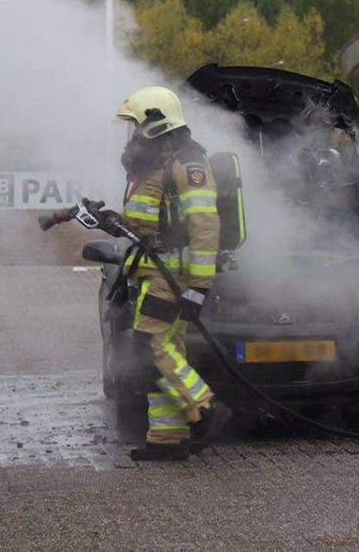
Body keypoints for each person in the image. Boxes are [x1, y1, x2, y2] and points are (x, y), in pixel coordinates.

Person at [114, 86, 233, 460]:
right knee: (168, 350)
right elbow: (151, 223)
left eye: (135, 125)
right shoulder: (158, 166)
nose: (132, 135)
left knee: (150, 347)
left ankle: (206, 408)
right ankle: (167, 440)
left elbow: (204, 226)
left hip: (173, 275)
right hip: (157, 273)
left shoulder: (188, 164)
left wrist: (199, 287)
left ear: (154, 122)